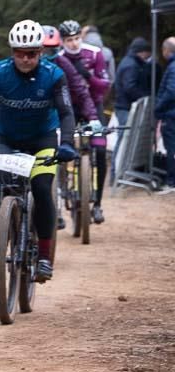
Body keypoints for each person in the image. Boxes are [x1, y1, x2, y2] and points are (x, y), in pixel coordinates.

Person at [0, 20, 76, 283]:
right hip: (8, 139)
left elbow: (66, 112)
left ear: (40, 52)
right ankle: (4, 232)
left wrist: (67, 144)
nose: (25, 58)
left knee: (42, 188)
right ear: (12, 52)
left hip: (43, 140)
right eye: (19, 52)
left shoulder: (53, 75)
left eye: (31, 53)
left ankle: (44, 254)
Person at [57, 20, 111, 222]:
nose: (74, 43)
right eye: (69, 40)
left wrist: (87, 75)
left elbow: (103, 86)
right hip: (68, 108)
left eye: (77, 38)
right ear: (62, 41)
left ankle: (97, 203)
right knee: (61, 149)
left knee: (99, 149)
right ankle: (62, 190)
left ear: (82, 37)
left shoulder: (94, 53)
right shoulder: (59, 58)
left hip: (93, 108)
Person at [113, 38, 156, 117]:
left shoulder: (132, 62)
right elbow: (130, 87)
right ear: (143, 52)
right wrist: (144, 96)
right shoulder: (132, 65)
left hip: (126, 105)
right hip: (127, 107)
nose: (148, 57)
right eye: (148, 54)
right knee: (127, 128)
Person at [156, 37, 175, 192]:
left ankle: (170, 181)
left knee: (171, 148)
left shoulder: (173, 67)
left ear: (166, 51)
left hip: (171, 114)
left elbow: (171, 91)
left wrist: (158, 107)